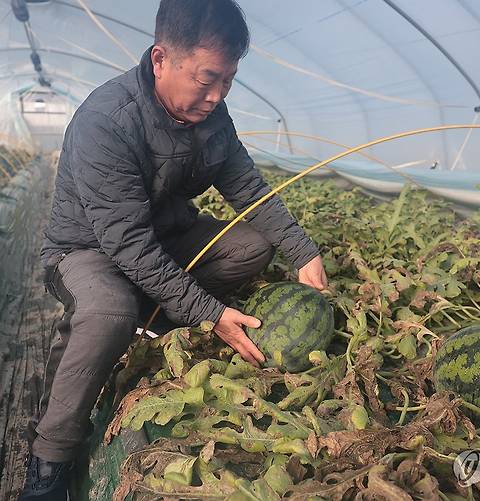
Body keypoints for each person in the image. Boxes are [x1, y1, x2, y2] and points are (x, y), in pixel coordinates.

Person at [19, 1, 327, 499]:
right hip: (87, 251)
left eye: (228, 81)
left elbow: (247, 189)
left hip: (161, 236)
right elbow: (128, 243)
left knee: (250, 246)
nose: (216, 95)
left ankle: (154, 317)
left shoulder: (213, 116)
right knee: (108, 311)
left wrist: (302, 250)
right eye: (206, 79)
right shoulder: (107, 121)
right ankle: (49, 458)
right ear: (161, 58)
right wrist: (209, 312)